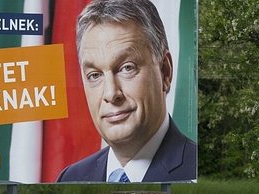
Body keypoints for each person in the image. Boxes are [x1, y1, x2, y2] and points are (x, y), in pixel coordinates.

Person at [56, 0, 197, 183]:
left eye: (127, 68)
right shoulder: (70, 179)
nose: (111, 94)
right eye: (94, 75)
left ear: (165, 71)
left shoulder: (198, 173)